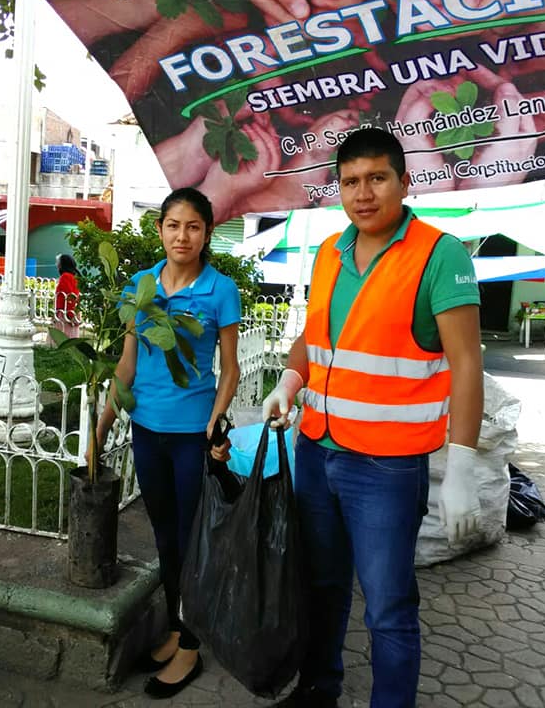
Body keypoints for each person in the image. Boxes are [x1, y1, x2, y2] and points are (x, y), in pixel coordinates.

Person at [262, 127, 484, 708]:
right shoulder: (329, 252)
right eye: (350, 181)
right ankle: (319, 689)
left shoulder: (440, 254)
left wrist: (462, 466)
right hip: (317, 449)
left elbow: (466, 363)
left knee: (387, 605)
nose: (363, 193)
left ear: (404, 183)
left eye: (377, 179)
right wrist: (290, 380)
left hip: (385, 468)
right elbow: (313, 341)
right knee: (323, 587)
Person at [92, 188, 241, 699]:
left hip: (191, 436)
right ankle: (178, 628)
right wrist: (106, 417)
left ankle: (192, 645)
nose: (183, 236)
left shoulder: (221, 290)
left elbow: (231, 368)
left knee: (192, 539)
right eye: (174, 225)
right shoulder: (140, 284)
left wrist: (216, 422)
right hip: (147, 430)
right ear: (160, 229)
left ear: (207, 234)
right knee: (164, 537)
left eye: (194, 227)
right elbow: (128, 362)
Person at [54, 254, 81, 340]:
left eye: (58, 263)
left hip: (65, 314)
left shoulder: (65, 277)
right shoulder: (74, 277)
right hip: (70, 312)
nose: (56, 265)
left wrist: (69, 315)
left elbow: (69, 296)